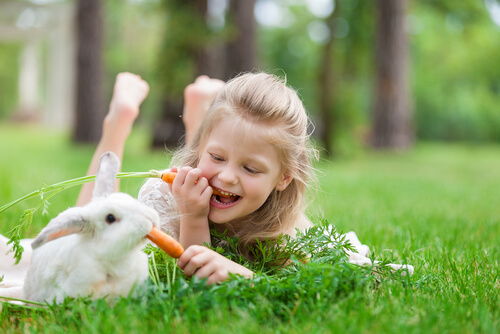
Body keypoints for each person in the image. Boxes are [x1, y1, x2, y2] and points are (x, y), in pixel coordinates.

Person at [77, 71, 317, 285]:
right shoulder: (166, 200)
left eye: (251, 169)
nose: (228, 177)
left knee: (212, 170)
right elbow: (191, 284)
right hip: (180, 204)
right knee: (89, 236)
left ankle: (199, 114)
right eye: (217, 157)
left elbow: (300, 290)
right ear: (200, 149)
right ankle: (117, 125)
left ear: (284, 178)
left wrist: (246, 277)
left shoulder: (288, 228)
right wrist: (193, 217)